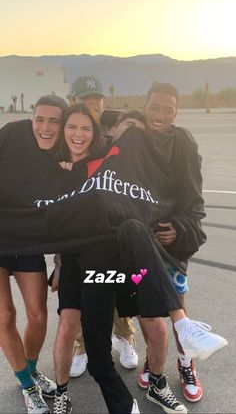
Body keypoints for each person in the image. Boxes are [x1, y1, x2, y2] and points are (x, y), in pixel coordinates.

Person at [49, 103, 227, 414]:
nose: (79, 134)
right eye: (73, 127)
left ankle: (180, 331)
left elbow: (177, 197)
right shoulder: (65, 167)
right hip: (90, 271)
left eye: (85, 128)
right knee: (93, 352)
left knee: (134, 229)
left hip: (122, 265)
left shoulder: (123, 167)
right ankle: (111, 402)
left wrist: (177, 226)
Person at [55, 79, 139, 378]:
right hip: (75, 231)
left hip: (108, 230)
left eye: (97, 98)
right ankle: (80, 346)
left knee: (114, 285)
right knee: (75, 294)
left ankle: (124, 335)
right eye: (86, 98)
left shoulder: (115, 130)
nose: (93, 103)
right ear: (75, 100)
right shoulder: (69, 131)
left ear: (104, 102)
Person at [136, 82, 210, 407]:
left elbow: (193, 196)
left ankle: (186, 364)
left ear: (175, 113)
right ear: (144, 107)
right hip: (140, 238)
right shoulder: (133, 137)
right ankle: (153, 363)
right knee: (147, 308)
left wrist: (179, 230)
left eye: (168, 109)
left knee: (177, 303)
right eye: (155, 107)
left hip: (170, 238)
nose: (161, 115)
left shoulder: (182, 142)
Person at [0, 95, 68, 414]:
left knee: (38, 316)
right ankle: (28, 387)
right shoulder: (13, 133)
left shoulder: (66, 154)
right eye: (39, 119)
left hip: (26, 243)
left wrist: (63, 259)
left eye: (53, 121)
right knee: (4, 317)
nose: (44, 127)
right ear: (32, 119)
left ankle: (30, 369)